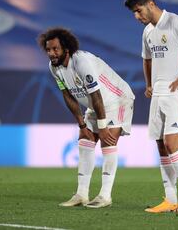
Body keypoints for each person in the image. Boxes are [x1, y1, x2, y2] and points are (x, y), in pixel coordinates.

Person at [124, 0, 178, 213]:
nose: (137, 17)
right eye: (134, 13)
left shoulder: (175, 22)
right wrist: (149, 83)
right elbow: (147, 58)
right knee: (161, 146)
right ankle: (170, 199)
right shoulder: (147, 31)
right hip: (159, 93)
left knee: (172, 143)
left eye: (139, 11)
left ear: (150, 4)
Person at [37, 27, 135, 209]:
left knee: (108, 142)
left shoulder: (81, 61)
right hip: (94, 104)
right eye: (48, 49)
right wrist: (81, 124)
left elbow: (96, 95)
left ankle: (105, 196)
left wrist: (103, 126)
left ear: (66, 48)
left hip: (118, 100)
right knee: (85, 140)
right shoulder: (54, 68)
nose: (51, 53)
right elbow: (67, 95)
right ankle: (81, 194)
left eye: (55, 49)